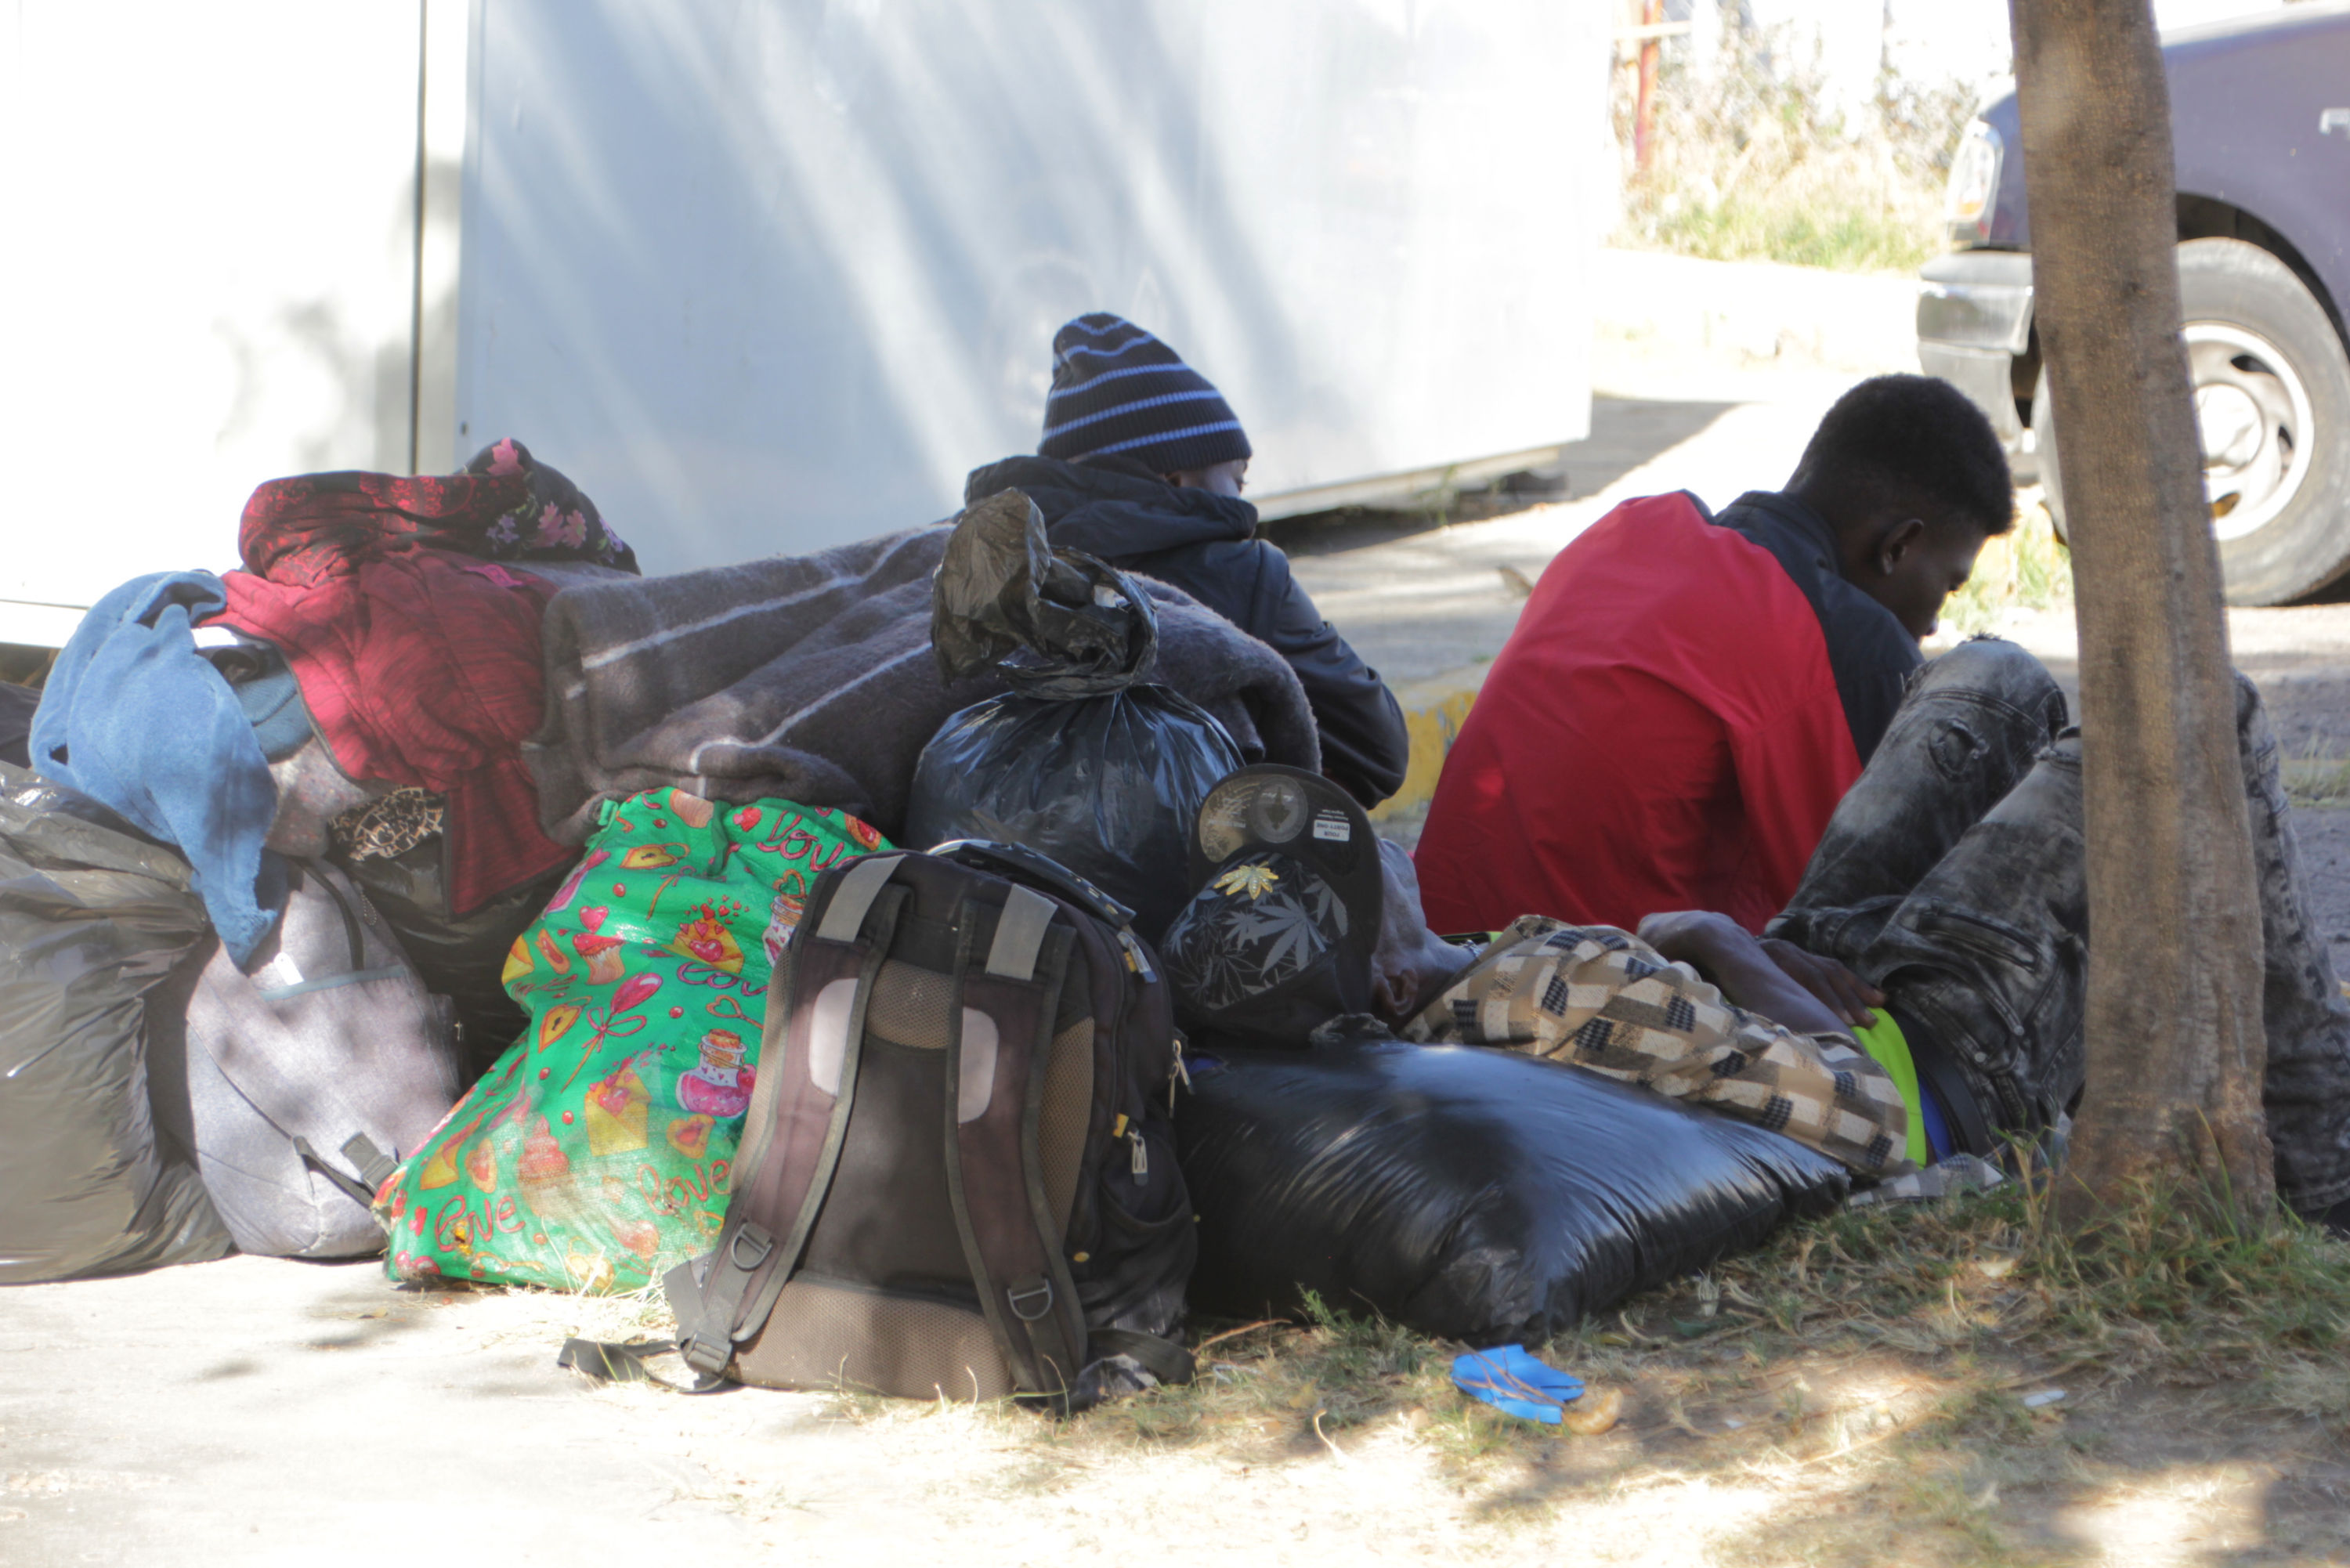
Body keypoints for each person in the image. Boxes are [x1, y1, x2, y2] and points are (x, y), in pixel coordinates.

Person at [1161, 642, 2350, 1234]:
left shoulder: (1457, 979)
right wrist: (1716, 939)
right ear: (1383, 975)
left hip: (1801, 999)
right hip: (1933, 1063)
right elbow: (1866, 1119)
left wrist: (1733, 952)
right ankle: (2319, 1147)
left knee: (1986, 680)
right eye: (1355, 867)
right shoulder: (1543, 997)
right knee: (2193, 712)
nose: (1376, 842)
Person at [1412, 374, 2016, 937]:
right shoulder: (1844, 639)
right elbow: (1867, 918)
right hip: (1564, 989)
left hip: (1431, 949)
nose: (1934, 623)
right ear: (1898, 546)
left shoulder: (1627, 530)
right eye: (1949, 585)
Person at [965, 313, 1411, 809]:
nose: (1244, 503)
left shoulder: (976, 561)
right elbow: (1379, 751)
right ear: (1176, 480)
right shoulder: (1240, 575)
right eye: (1238, 481)